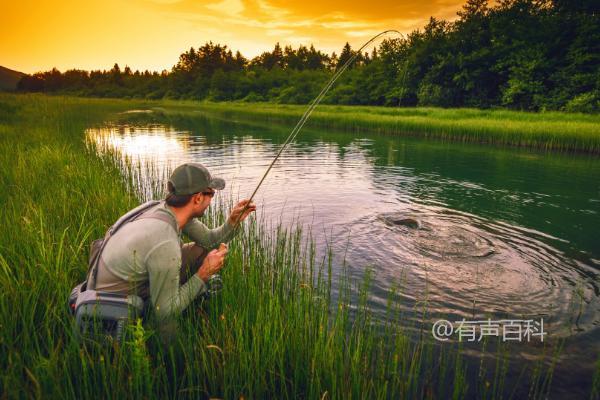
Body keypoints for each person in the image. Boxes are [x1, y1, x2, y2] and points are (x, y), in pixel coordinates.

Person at [88, 162, 256, 326]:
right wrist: (203, 274)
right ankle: (167, 351)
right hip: (114, 306)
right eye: (211, 194)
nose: (212, 199)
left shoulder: (167, 209)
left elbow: (209, 241)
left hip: (122, 280)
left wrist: (232, 222)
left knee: (201, 250)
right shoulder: (164, 241)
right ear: (197, 198)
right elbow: (164, 312)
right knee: (168, 320)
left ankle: (183, 295)